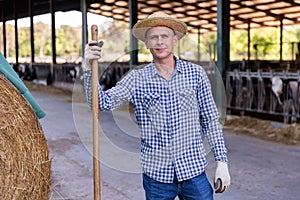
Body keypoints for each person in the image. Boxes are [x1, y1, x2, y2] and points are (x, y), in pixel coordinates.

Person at [82, 11, 230, 200]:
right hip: (158, 177)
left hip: (193, 171)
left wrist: (221, 161)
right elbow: (101, 103)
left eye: (164, 36)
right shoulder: (137, 79)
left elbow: (210, 120)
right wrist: (87, 68)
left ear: (175, 40)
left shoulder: (196, 74)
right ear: (147, 43)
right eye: (154, 37)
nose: (159, 42)